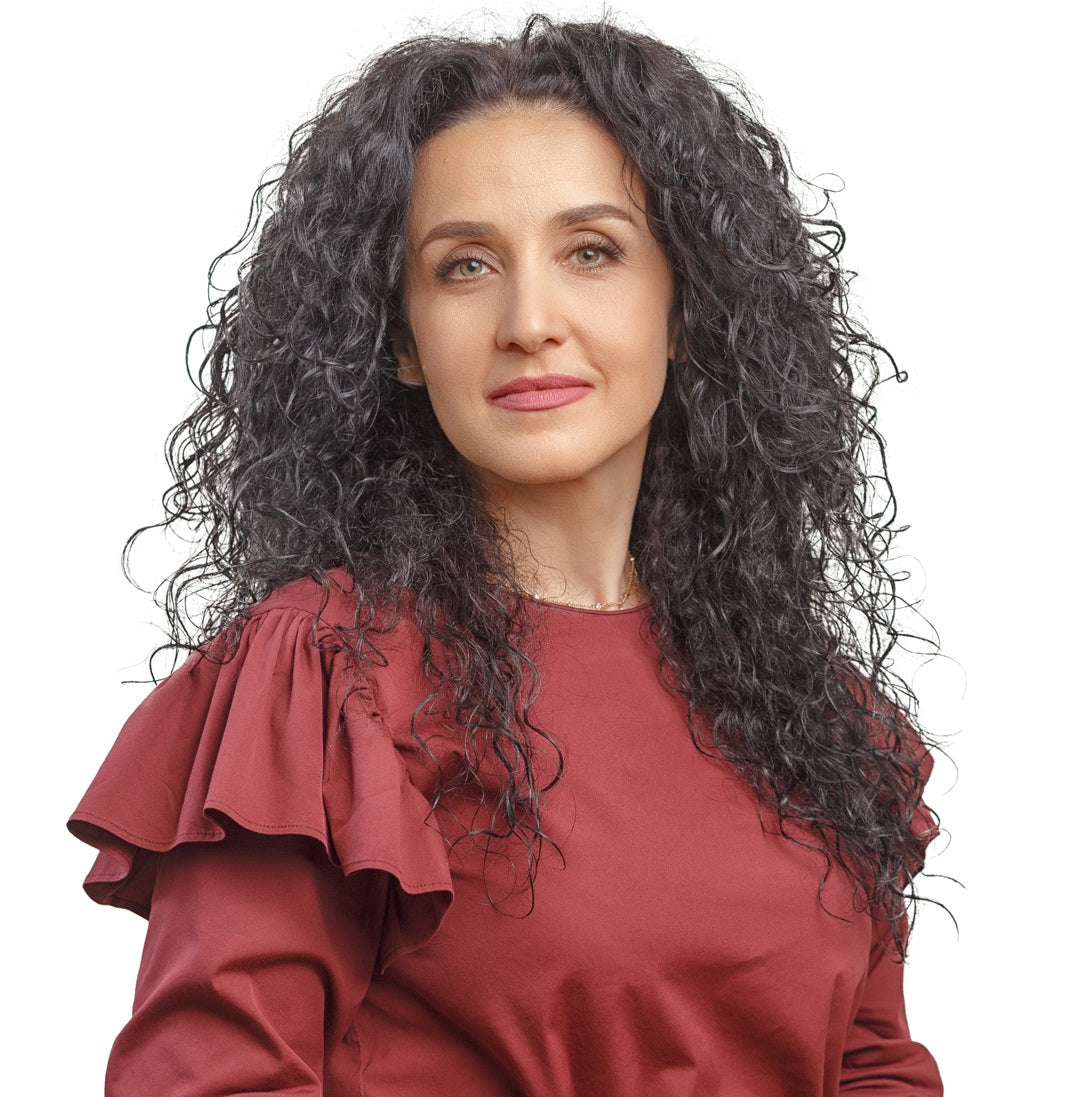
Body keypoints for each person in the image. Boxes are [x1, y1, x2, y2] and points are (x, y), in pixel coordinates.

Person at [69, 14, 943, 1095]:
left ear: (685, 309)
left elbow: (870, 1063)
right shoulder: (326, 675)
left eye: (591, 252)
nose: (530, 320)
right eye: (465, 265)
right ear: (400, 339)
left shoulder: (805, 706)